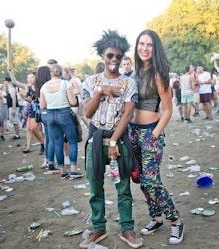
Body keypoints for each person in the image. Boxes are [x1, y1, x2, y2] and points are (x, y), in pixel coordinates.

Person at [80, 30, 142, 249]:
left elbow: (127, 115)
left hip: (119, 142)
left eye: (118, 56)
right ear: (102, 56)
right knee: (95, 186)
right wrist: (100, 92)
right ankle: (98, 228)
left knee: (123, 188)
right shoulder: (90, 81)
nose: (114, 60)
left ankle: (127, 229)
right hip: (95, 141)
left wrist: (114, 142)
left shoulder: (129, 83)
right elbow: (87, 113)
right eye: (110, 56)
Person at [130, 29, 185, 245]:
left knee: (152, 181)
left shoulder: (159, 74)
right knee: (141, 181)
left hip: (150, 132)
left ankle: (176, 221)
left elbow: (168, 111)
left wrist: (153, 135)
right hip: (132, 133)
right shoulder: (133, 73)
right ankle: (156, 218)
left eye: (149, 45)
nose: (144, 48)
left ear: (155, 49)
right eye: (141, 44)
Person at [40, 64, 83, 179]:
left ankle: (62, 171)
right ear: (61, 73)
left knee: (58, 142)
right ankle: (73, 170)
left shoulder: (44, 86)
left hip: (50, 115)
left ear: (51, 73)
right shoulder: (65, 83)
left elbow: (42, 105)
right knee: (72, 141)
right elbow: (73, 102)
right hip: (64, 113)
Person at [7, 69, 45, 154]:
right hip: (32, 108)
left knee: (37, 129)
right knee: (31, 129)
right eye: (28, 78)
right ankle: (42, 143)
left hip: (40, 109)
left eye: (32, 77)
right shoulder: (27, 87)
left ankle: (44, 143)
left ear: (36, 77)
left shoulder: (40, 86)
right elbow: (15, 82)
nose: (30, 79)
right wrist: (11, 72)